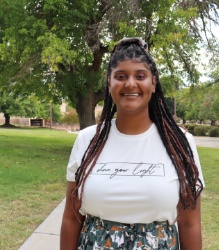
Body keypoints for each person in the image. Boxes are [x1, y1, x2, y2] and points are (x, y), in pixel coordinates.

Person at [60, 37, 205, 250]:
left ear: (153, 83)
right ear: (109, 82)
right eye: (120, 76)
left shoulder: (180, 143)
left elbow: (190, 223)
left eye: (140, 76)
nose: (130, 83)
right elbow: (71, 219)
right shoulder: (87, 140)